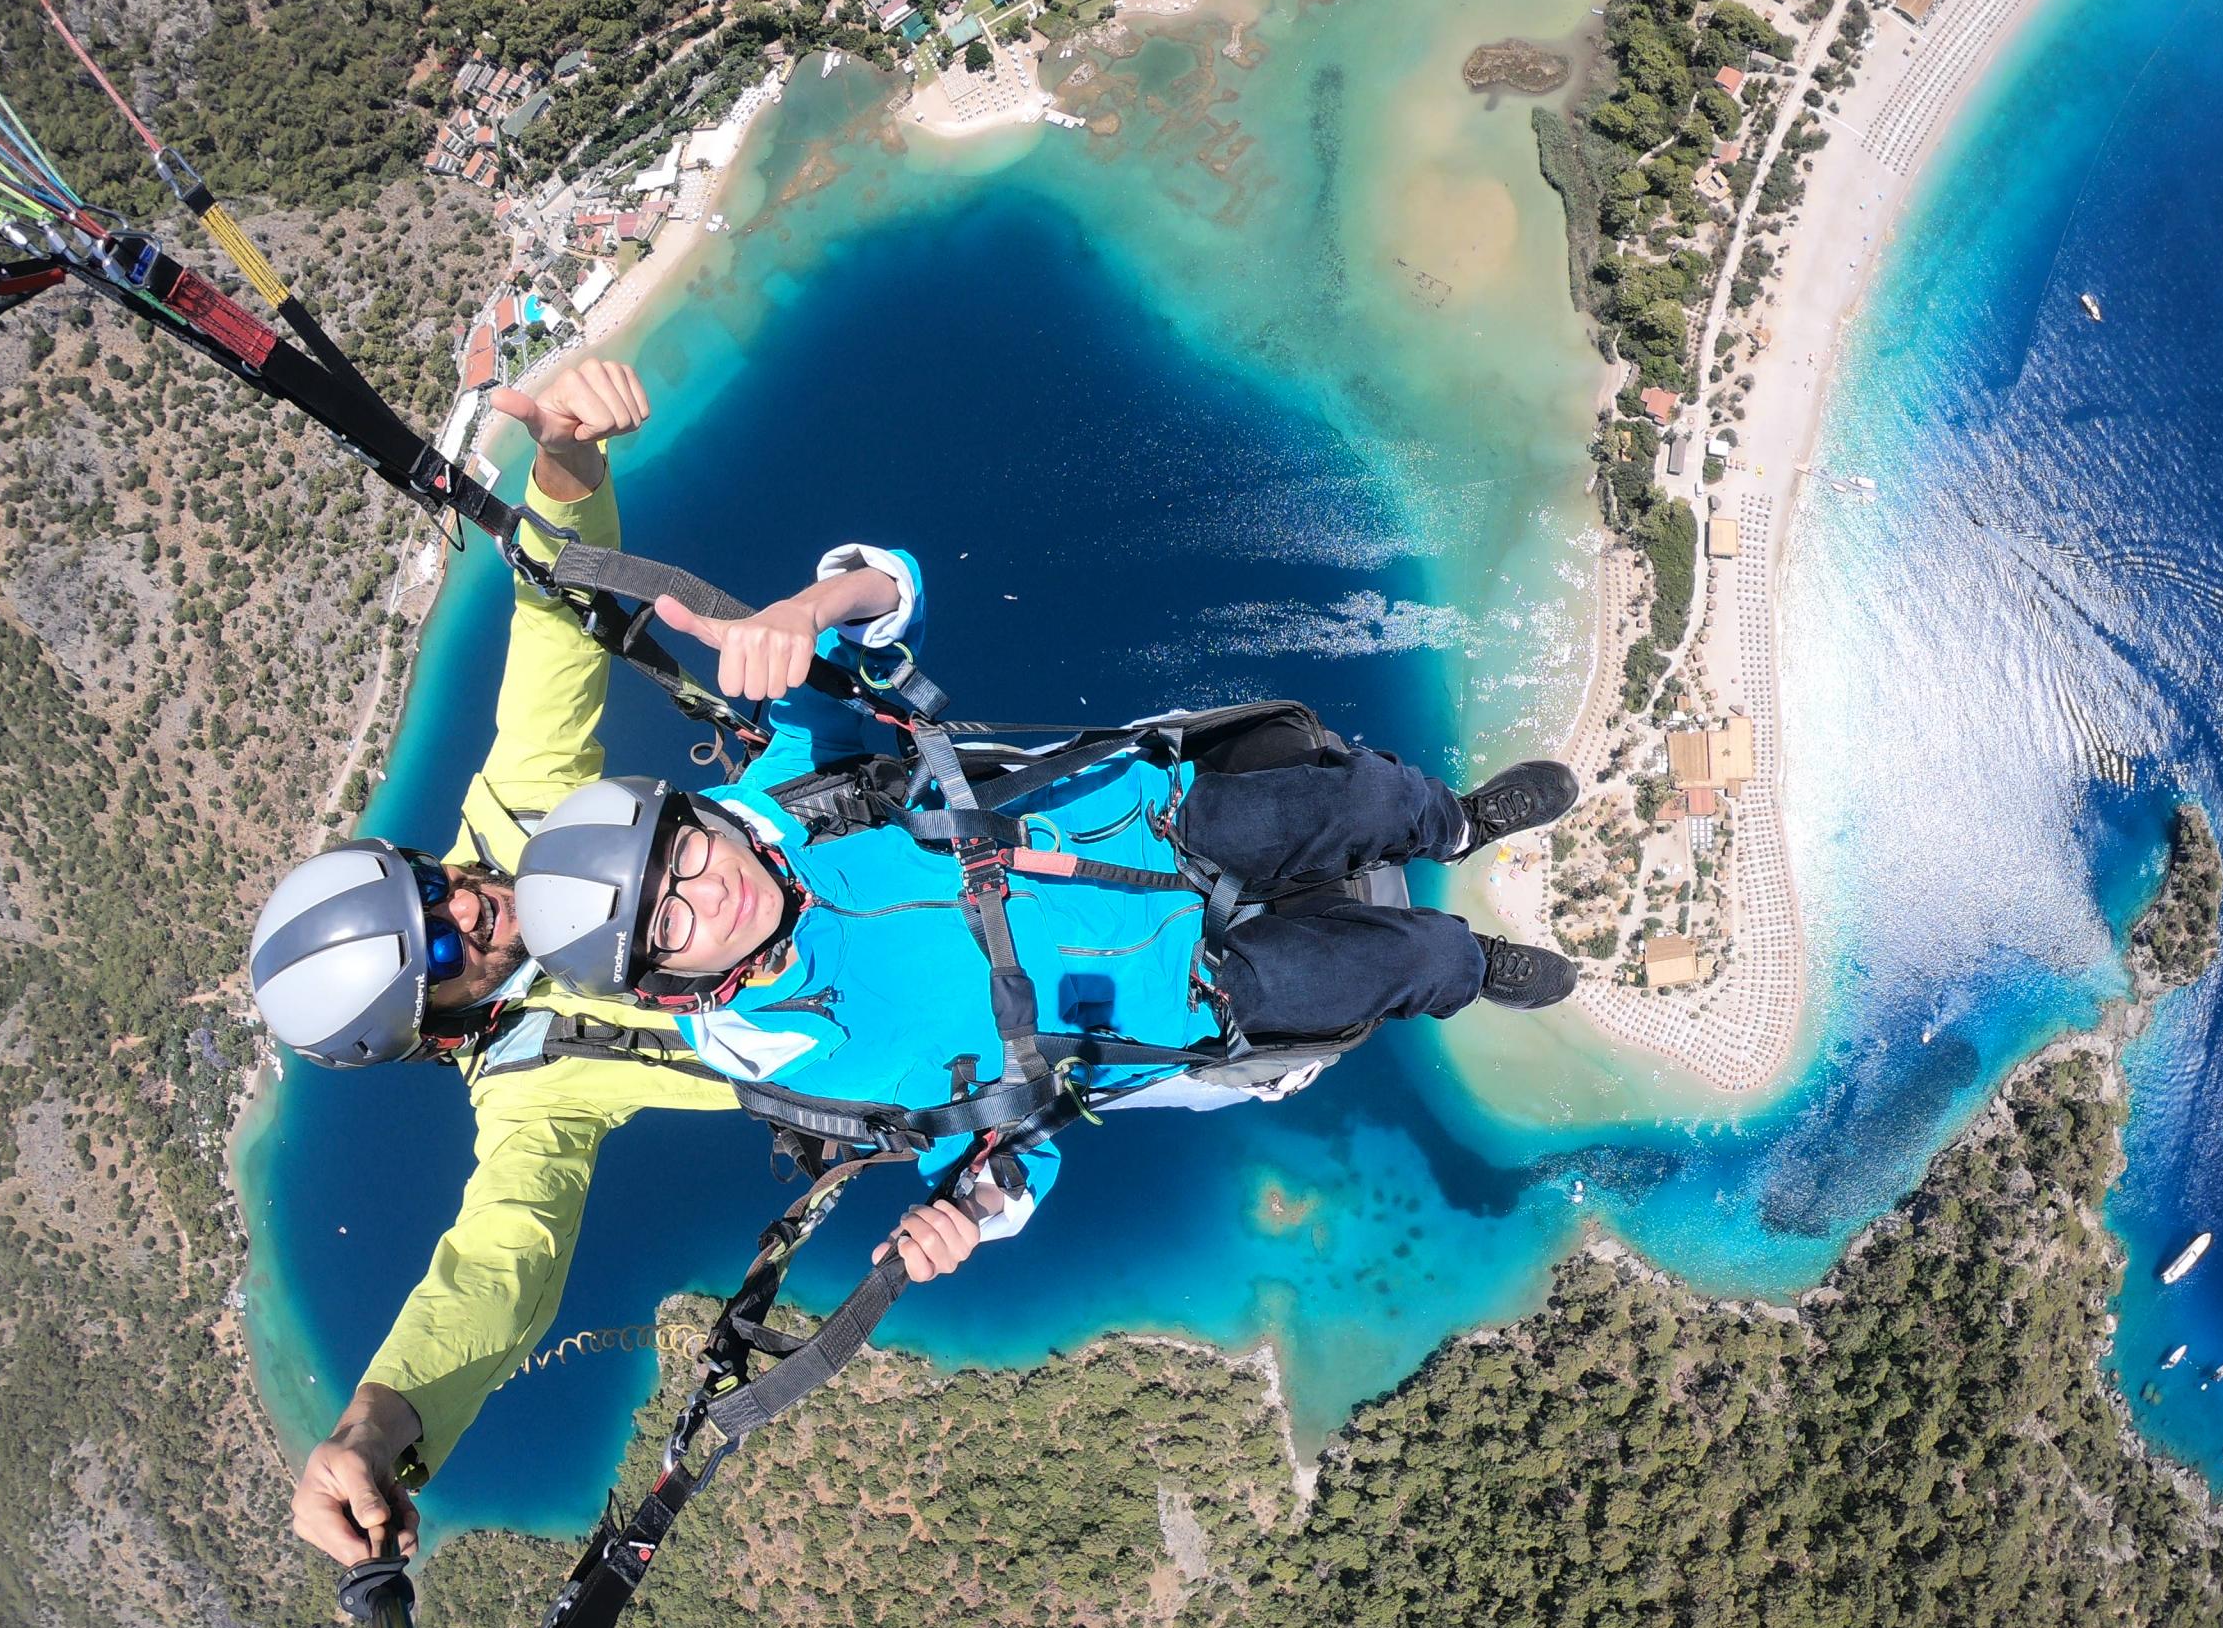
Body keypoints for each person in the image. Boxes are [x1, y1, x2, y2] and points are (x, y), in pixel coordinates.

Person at [263, 360, 1578, 1567]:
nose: (467, 900)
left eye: (423, 879)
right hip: (1032, 1016)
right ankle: (1461, 964)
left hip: (1055, 841)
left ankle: (1451, 822)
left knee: (1343, 800)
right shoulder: (562, 1080)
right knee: (1365, 972)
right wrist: (383, 1425)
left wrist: (563, 458)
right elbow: (499, 1269)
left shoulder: (551, 816)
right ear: (432, 1024)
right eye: (439, 945)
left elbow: (552, 627)